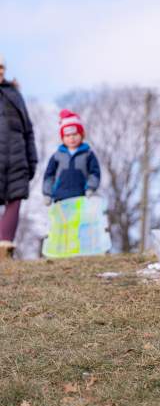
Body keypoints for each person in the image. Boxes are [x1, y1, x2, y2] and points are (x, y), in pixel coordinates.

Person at [0, 54, 38, 259]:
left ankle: (4, 250)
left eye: (1, 68)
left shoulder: (14, 94)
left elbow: (28, 129)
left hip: (16, 158)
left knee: (15, 199)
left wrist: (32, 160)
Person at [42, 110, 101, 204]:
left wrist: (91, 188)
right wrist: (47, 193)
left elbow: (94, 173)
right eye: (68, 135)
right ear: (62, 138)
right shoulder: (57, 156)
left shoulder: (88, 154)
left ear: (81, 135)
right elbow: (49, 176)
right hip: (60, 198)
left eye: (75, 134)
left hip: (82, 197)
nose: (72, 138)